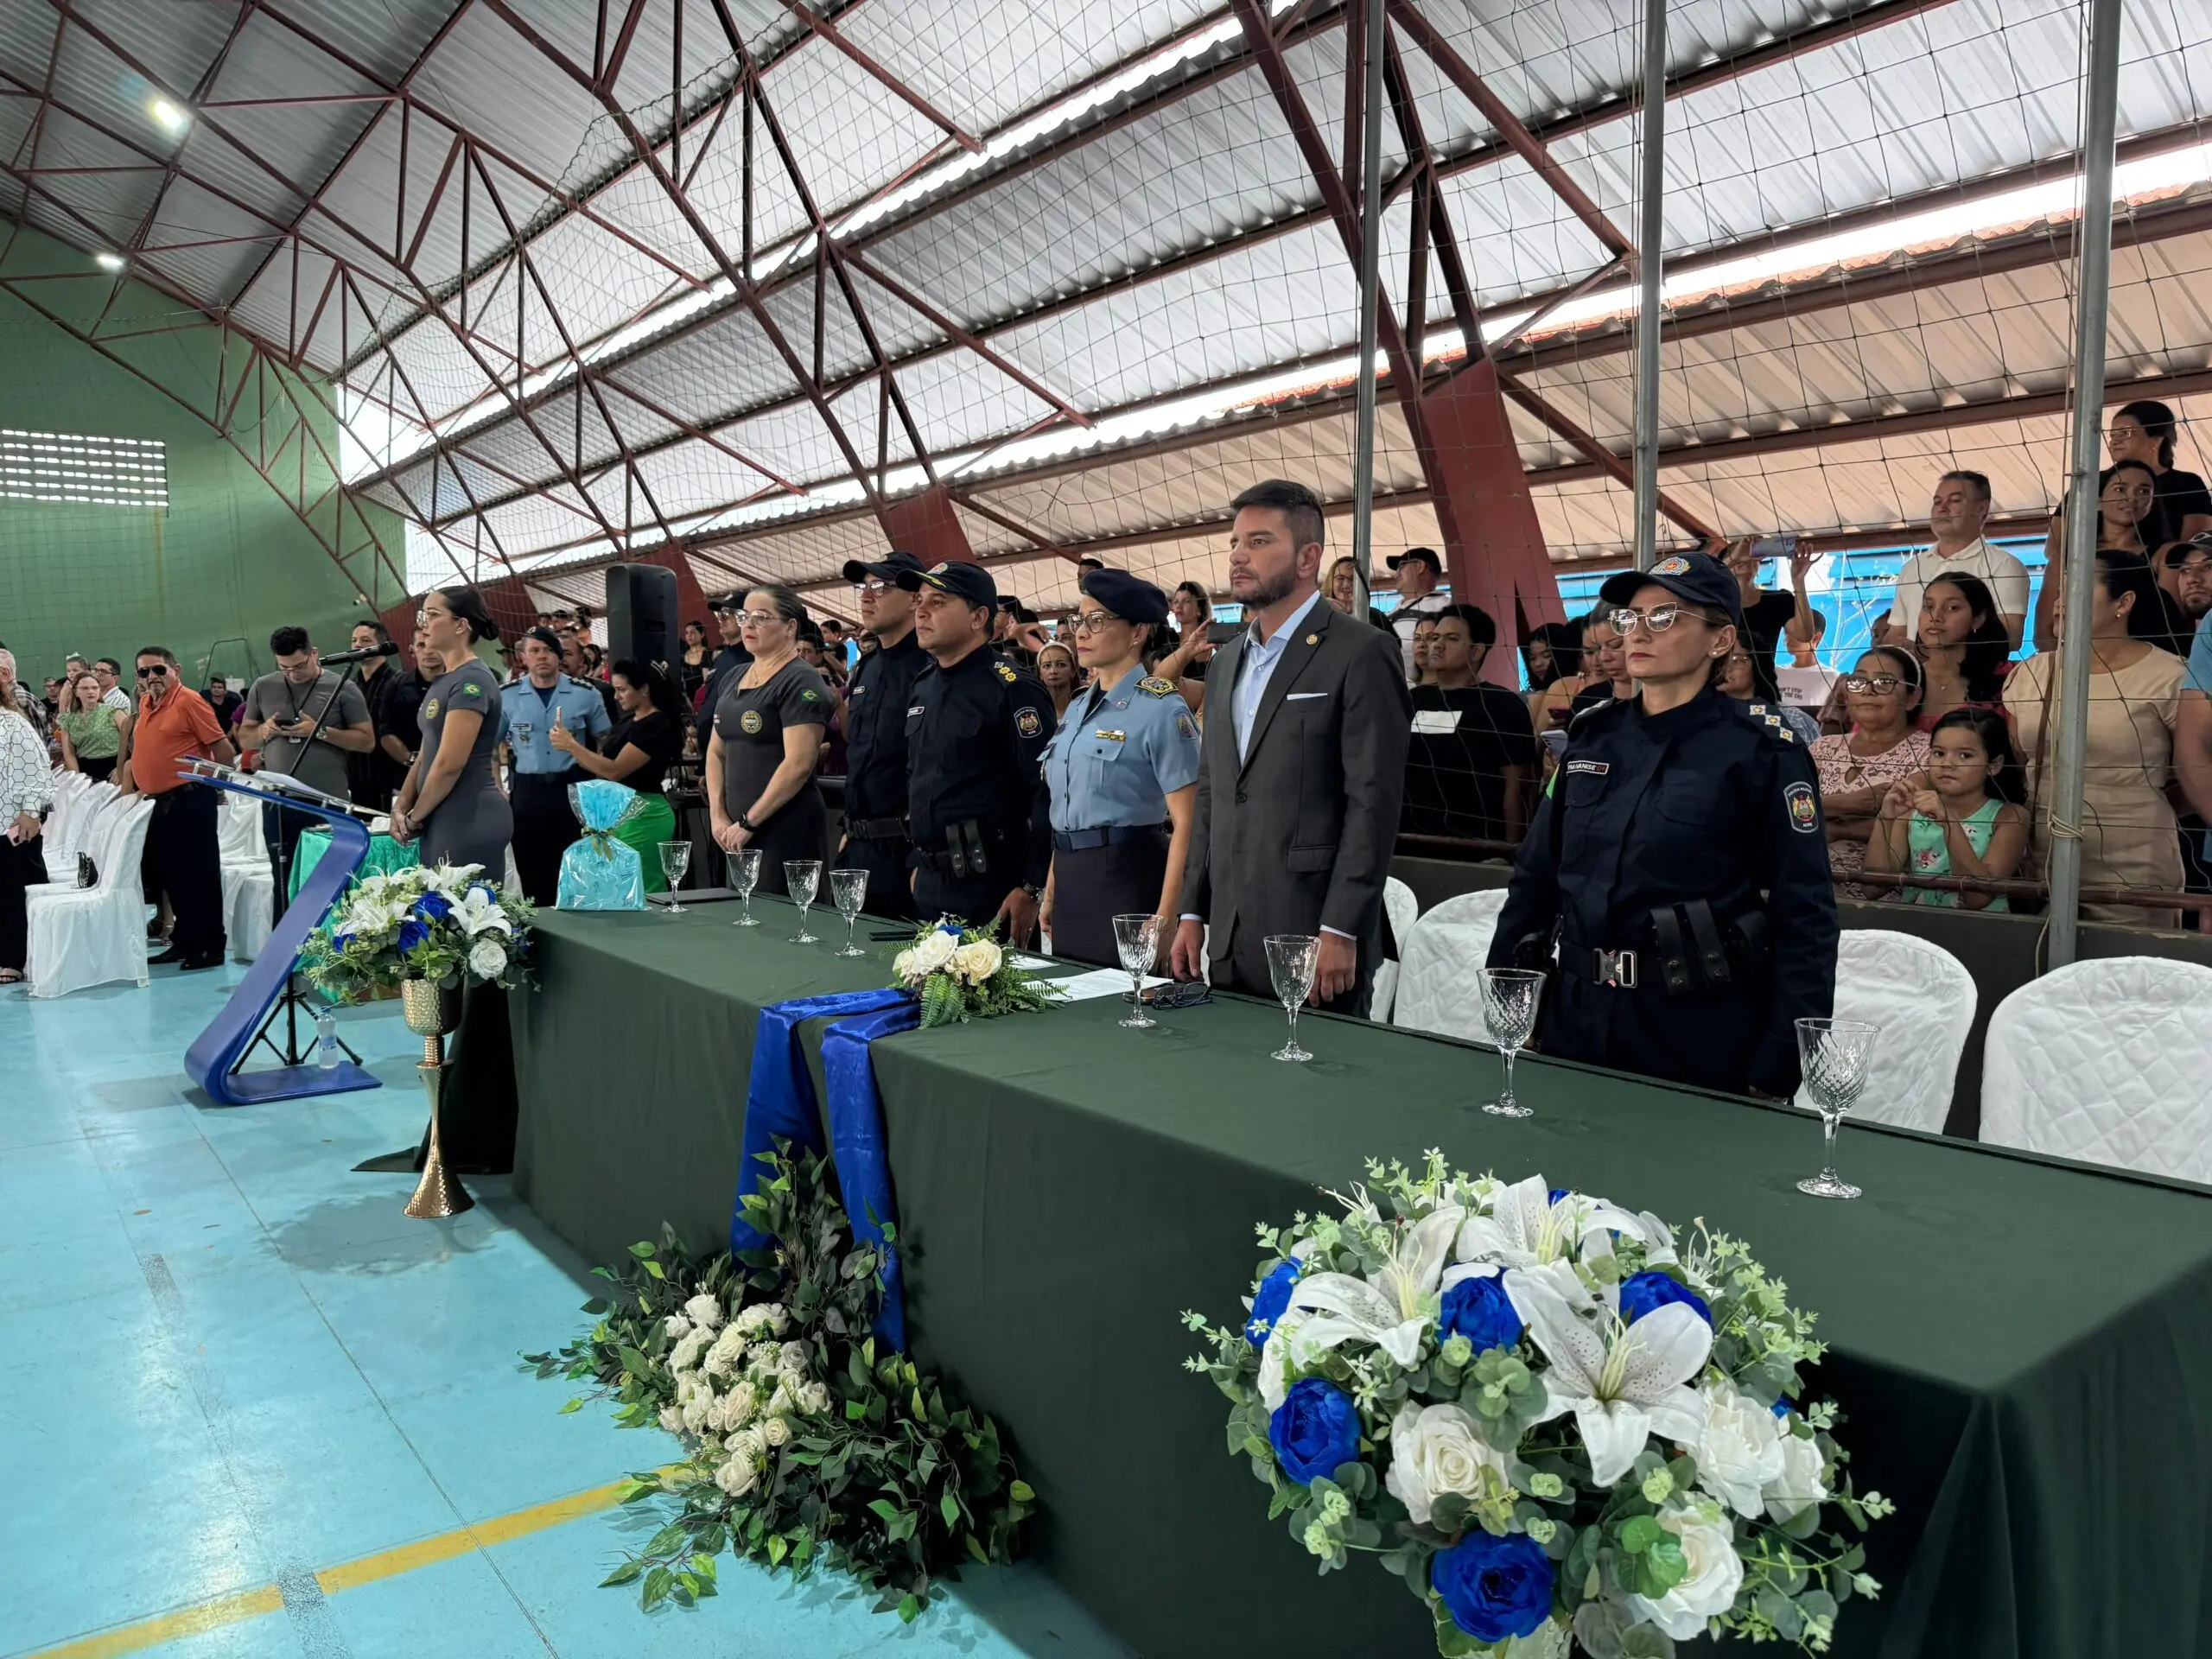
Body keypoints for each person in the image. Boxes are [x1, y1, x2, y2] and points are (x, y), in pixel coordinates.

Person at [1487, 551, 1837, 1098]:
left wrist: (1781, 1058)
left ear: (1720, 641)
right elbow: (1535, 878)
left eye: (1666, 617)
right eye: (1630, 618)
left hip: (1697, 1029)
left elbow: (1806, 912)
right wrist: (1511, 994)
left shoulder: (1763, 750)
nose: (1638, 632)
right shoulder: (1593, 737)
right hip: (1574, 1018)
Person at [1169, 479, 1411, 1013]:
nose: (1238, 556)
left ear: (1307, 558)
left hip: (1314, 935)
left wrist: (1341, 927)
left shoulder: (1362, 651)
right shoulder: (1225, 663)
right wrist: (1192, 911)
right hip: (1229, 933)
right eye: (1235, 542)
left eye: (1259, 542)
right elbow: (1212, 793)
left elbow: (1373, 803)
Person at [2006, 550, 2187, 928]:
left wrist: (2138, 805)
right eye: (2060, 590)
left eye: (2076, 589)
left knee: (2130, 962)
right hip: (2043, 857)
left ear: (2124, 602)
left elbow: (2198, 769)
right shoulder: (2032, 673)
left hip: (2136, 860)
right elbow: (2017, 764)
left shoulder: (2169, 676)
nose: (2059, 603)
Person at [1036, 571, 1201, 966]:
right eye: (1079, 620)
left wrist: (1167, 917)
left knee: (1127, 1000)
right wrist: (1051, 891)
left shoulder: (1161, 708)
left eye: (1097, 620)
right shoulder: (1077, 708)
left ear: (1137, 632)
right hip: (1070, 886)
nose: (1082, 632)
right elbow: (1067, 810)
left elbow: (1189, 823)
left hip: (1127, 882)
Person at [899, 560, 1053, 937]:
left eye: (938, 602)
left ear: (978, 617)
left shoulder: (1012, 687)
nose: (921, 611)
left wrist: (1032, 886)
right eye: (920, 600)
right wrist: (916, 862)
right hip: (930, 881)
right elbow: (917, 777)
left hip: (993, 887)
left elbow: (1047, 790)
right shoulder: (923, 685)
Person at [238, 626, 376, 912]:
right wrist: (264, 730)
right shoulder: (263, 687)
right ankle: (285, 938)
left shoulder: (342, 687)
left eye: (299, 666)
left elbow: (366, 741)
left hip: (328, 801)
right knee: (283, 879)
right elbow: (245, 738)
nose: (293, 674)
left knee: (330, 880)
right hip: (279, 802)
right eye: (285, 668)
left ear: (314, 653)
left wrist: (320, 732)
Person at [708, 585, 834, 898]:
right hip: (735, 831)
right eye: (745, 617)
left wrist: (749, 823)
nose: (749, 625)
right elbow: (716, 751)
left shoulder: (800, 679)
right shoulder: (733, 676)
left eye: (762, 617)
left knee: (784, 917)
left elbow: (798, 764)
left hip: (783, 827)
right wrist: (717, 815)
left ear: (790, 627)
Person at [117, 645, 234, 969]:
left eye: (158, 669)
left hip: (190, 799)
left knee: (200, 875)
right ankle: (185, 941)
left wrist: (214, 787)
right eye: (144, 672)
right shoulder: (146, 703)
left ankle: (210, 947)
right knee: (174, 876)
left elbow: (224, 751)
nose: (151, 677)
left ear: (175, 670)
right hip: (161, 803)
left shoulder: (189, 701)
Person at [831, 551, 930, 922]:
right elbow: (861, 755)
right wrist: (850, 829)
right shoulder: (866, 669)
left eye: (882, 587)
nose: (867, 596)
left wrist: (922, 855)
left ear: (915, 598)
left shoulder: (930, 667)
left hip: (907, 851)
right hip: (859, 845)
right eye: (865, 587)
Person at [392, 588, 512, 874]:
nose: (424, 624)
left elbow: (449, 764)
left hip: (467, 815)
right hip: (440, 812)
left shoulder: (472, 681)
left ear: (461, 625)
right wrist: (402, 806)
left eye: (433, 615)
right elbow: (426, 753)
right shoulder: (447, 679)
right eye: (423, 615)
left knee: (463, 902)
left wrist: (414, 818)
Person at [1401, 604, 1540, 846]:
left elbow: (1518, 785)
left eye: (1452, 638)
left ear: (1476, 651)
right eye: (1435, 637)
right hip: (1408, 839)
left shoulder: (1502, 704)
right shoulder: (1413, 699)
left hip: (1477, 845)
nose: (1437, 645)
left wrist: (1512, 849)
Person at [1865, 707, 2028, 911]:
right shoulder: (1912, 814)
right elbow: (1872, 889)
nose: (1947, 764)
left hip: (1980, 928)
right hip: (1916, 928)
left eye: (1965, 755)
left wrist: (1948, 822)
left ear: (1994, 765)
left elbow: (1977, 898)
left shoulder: (2010, 817)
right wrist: (1885, 818)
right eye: (1939, 753)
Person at [550, 657, 685, 893]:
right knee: (614, 886)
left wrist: (571, 745)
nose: (616, 696)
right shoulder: (629, 721)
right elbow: (602, 764)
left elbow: (615, 770)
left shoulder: (656, 725)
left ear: (644, 689)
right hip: (616, 812)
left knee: (640, 886)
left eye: (622, 690)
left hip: (644, 813)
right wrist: (569, 747)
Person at [1808, 647, 1930, 899]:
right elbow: (1782, 811)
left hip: (1880, 896)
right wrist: (1848, 803)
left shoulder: (1929, 752)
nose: (1868, 690)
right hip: (1804, 879)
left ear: (1912, 697)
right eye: (1858, 680)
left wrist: (1832, 825)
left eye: (1884, 682)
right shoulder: (1823, 748)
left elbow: (1912, 825)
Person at [501, 626, 611, 905]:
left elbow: (605, 740)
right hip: (528, 791)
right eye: (535, 650)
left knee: (577, 866)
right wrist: (495, 785)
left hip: (573, 789)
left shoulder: (585, 694)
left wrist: (601, 784)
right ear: (523, 657)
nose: (542, 656)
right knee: (530, 866)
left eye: (549, 650)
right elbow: (491, 744)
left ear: (559, 656)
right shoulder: (507, 696)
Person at [1877, 471, 2029, 649]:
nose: (1942, 508)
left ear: (1981, 508)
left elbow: (2010, 637)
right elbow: (1897, 633)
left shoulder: (2003, 565)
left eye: (1955, 500)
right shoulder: (1912, 567)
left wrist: (1933, 652)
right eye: (1937, 502)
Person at [2033, 461, 2157, 652]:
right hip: (2069, 663)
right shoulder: (2064, 557)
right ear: (2098, 501)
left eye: (2143, 491)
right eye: (2120, 489)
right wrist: (2065, 666)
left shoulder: (2162, 555)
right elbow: (2044, 634)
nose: (2132, 498)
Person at [0, 664, 54, 983]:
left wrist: (30, 811)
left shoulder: (12, 723)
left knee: (10, 891)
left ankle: (12, 959)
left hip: (11, 821)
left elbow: (36, 770)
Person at [2107, 398, 2212, 550]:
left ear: (2156, 440)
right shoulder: (2098, 483)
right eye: (2112, 435)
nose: (2114, 442)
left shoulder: (2187, 484)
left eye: (2125, 433)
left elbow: (2195, 548)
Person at [1915, 573, 2012, 730]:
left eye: (1952, 608)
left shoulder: (2009, 679)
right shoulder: (1906, 677)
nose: (1935, 617)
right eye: (1928, 607)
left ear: (1978, 619)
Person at [346, 622, 413, 811]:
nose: (357, 645)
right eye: (354, 640)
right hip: (357, 781)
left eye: (365, 640)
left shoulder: (400, 683)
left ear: (383, 646)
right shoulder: (349, 686)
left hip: (392, 783)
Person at [1721, 537, 1803, 681]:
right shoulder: (1712, 602)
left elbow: (1803, 635)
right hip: (1716, 683)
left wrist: (1799, 583)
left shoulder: (1779, 599)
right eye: (1738, 556)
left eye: (1752, 555)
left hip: (1760, 684)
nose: (1745, 559)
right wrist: (1731, 562)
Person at [1716, 641, 1822, 745]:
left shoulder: (1792, 720)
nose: (1724, 667)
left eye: (1737, 660)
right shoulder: (1709, 715)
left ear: (1759, 666)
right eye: (1719, 659)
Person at [1384, 546, 1452, 682]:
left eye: (1401, 567)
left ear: (1420, 566)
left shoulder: (1445, 606)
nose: (1396, 575)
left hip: (1416, 687)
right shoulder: (1391, 612)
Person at [696, 592, 753, 744]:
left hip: (732, 745)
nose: (721, 618)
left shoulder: (752, 659)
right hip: (708, 746)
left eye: (728, 614)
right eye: (720, 614)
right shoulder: (721, 658)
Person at [1156, 580, 1218, 715]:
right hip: (1171, 709)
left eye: (1187, 601)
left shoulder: (1214, 641)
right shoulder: (1169, 638)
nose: (1179, 606)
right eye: (1176, 601)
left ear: (1200, 608)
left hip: (1204, 710)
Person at [55, 671, 124, 782]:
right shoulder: (69, 719)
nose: (90, 691)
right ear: (76, 692)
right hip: (84, 770)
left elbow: (134, 742)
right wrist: (77, 780)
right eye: (85, 688)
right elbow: (69, 753)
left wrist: (122, 767)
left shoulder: (114, 712)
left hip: (113, 769)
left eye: (95, 688)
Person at [1325, 555, 1392, 631]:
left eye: (1352, 579)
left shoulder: (1376, 617)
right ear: (1331, 581)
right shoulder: (1322, 614)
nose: (1346, 584)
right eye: (1340, 578)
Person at [1036, 639, 1081, 727]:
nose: (1053, 671)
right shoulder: (1034, 710)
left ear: (1073, 671)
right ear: (1040, 674)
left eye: (1061, 665)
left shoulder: (1085, 707)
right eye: (1047, 666)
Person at [678, 619, 712, 702]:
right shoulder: (681, 655)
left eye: (693, 632)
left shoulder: (708, 653)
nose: (689, 635)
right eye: (687, 633)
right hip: (685, 700)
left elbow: (707, 682)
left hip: (704, 699)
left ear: (702, 635)